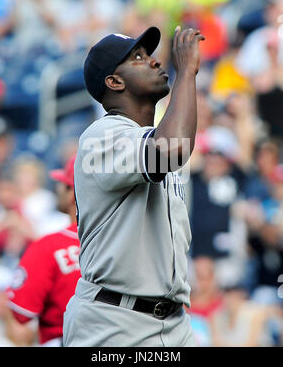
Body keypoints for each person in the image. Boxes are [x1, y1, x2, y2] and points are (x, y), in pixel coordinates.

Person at [63, 25, 205, 347]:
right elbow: (174, 148)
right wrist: (186, 74)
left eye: (150, 54)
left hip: (174, 324)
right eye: (138, 58)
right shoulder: (100, 136)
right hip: (114, 322)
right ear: (114, 82)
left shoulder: (151, 140)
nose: (155, 61)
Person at [6, 156, 81, 347]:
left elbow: (21, 314)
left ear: (72, 195)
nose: (58, 189)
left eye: (63, 185)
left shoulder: (48, 246)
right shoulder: (124, 241)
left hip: (64, 341)